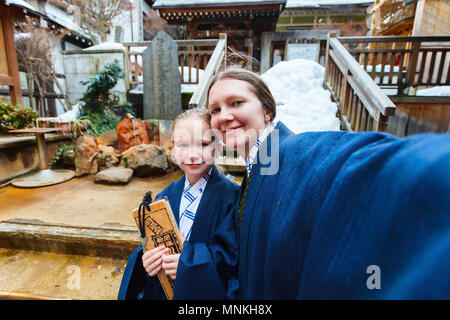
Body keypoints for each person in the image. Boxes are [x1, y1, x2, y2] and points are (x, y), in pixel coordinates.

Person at [206, 66, 450, 299]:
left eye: (237, 103)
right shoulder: (255, 171)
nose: (224, 116)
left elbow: (366, 166)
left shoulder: (295, 151)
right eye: (215, 110)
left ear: (267, 111)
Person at [118, 108, 239, 300]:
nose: (192, 155)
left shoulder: (232, 198)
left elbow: (233, 259)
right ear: (173, 148)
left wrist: (189, 262)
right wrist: (148, 260)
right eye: (183, 145)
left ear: (217, 147)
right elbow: (151, 244)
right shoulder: (164, 196)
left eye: (203, 144)